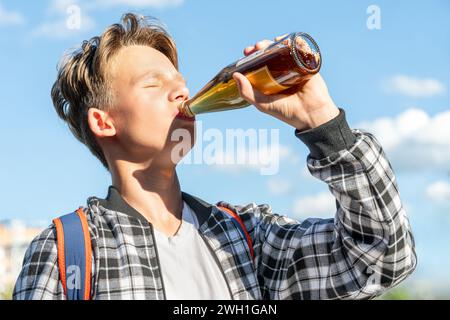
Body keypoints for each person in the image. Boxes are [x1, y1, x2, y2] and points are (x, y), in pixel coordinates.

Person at [13, 13, 416, 300]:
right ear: (103, 122)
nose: (182, 94)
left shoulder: (248, 237)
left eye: (182, 83)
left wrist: (323, 123)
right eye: (154, 84)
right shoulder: (67, 252)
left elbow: (383, 258)